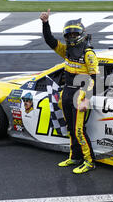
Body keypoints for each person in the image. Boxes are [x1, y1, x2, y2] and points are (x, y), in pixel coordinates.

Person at [40, 9, 98, 174]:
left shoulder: (89, 54)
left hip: (80, 94)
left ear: (81, 34)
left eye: (75, 34)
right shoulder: (66, 51)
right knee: (71, 128)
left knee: (79, 130)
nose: (72, 37)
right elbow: (50, 41)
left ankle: (89, 161)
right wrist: (45, 23)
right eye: (69, 34)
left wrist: (86, 99)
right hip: (67, 93)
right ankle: (75, 157)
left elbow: (95, 78)